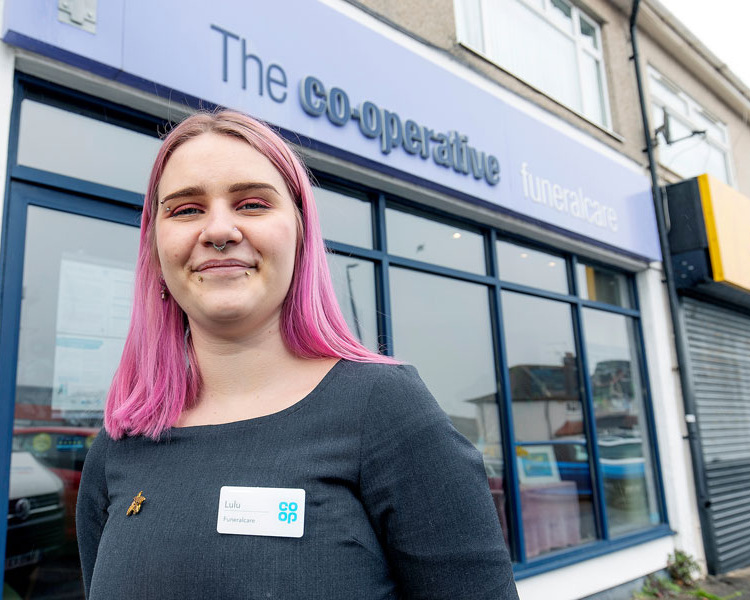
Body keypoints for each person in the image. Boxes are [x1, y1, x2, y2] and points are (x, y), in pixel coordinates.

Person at [76, 109, 519, 599]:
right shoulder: (121, 444)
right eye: (186, 210)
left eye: (251, 204)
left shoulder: (386, 411)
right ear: (156, 246)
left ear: (302, 234)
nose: (219, 230)